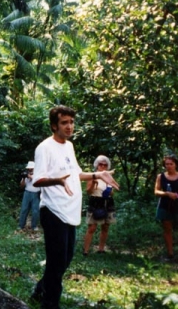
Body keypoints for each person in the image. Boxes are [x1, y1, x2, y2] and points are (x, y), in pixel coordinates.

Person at [31, 105, 119, 309]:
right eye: (64, 123)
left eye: (71, 122)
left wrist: (98, 175)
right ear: (54, 125)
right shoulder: (44, 148)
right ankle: (49, 304)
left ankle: (39, 291)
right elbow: (37, 180)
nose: (70, 126)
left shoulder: (69, 147)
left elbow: (75, 174)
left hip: (70, 211)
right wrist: (56, 181)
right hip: (53, 210)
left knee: (66, 258)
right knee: (57, 260)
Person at [83, 155, 116, 255]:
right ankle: (85, 250)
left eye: (105, 165)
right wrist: (93, 183)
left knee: (105, 227)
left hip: (107, 202)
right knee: (92, 227)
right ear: (97, 165)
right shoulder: (92, 175)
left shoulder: (109, 176)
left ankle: (101, 249)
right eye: (100, 164)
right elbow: (88, 191)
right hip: (95, 202)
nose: (102, 166)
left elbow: (113, 191)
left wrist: (110, 192)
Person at [154, 154, 178, 261]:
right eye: (166, 164)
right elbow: (156, 191)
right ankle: (170, 253)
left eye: (171, 164)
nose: (168, 166)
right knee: (167, 229)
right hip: (165, 205)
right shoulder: (161, 176)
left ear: (176, 165)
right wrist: (167, 194)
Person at [18, 161, 41, 231]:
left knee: (35, 211)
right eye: (29, 169)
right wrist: (24, 178)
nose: (30, 170)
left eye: (31, 169)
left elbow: (35, 181)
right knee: (24, 209)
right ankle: (21, 225)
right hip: (27, 193)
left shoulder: (38, 174)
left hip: (36, 193)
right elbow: (21, 186)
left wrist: (29, 176)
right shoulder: (26, 175)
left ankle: (34, 226)